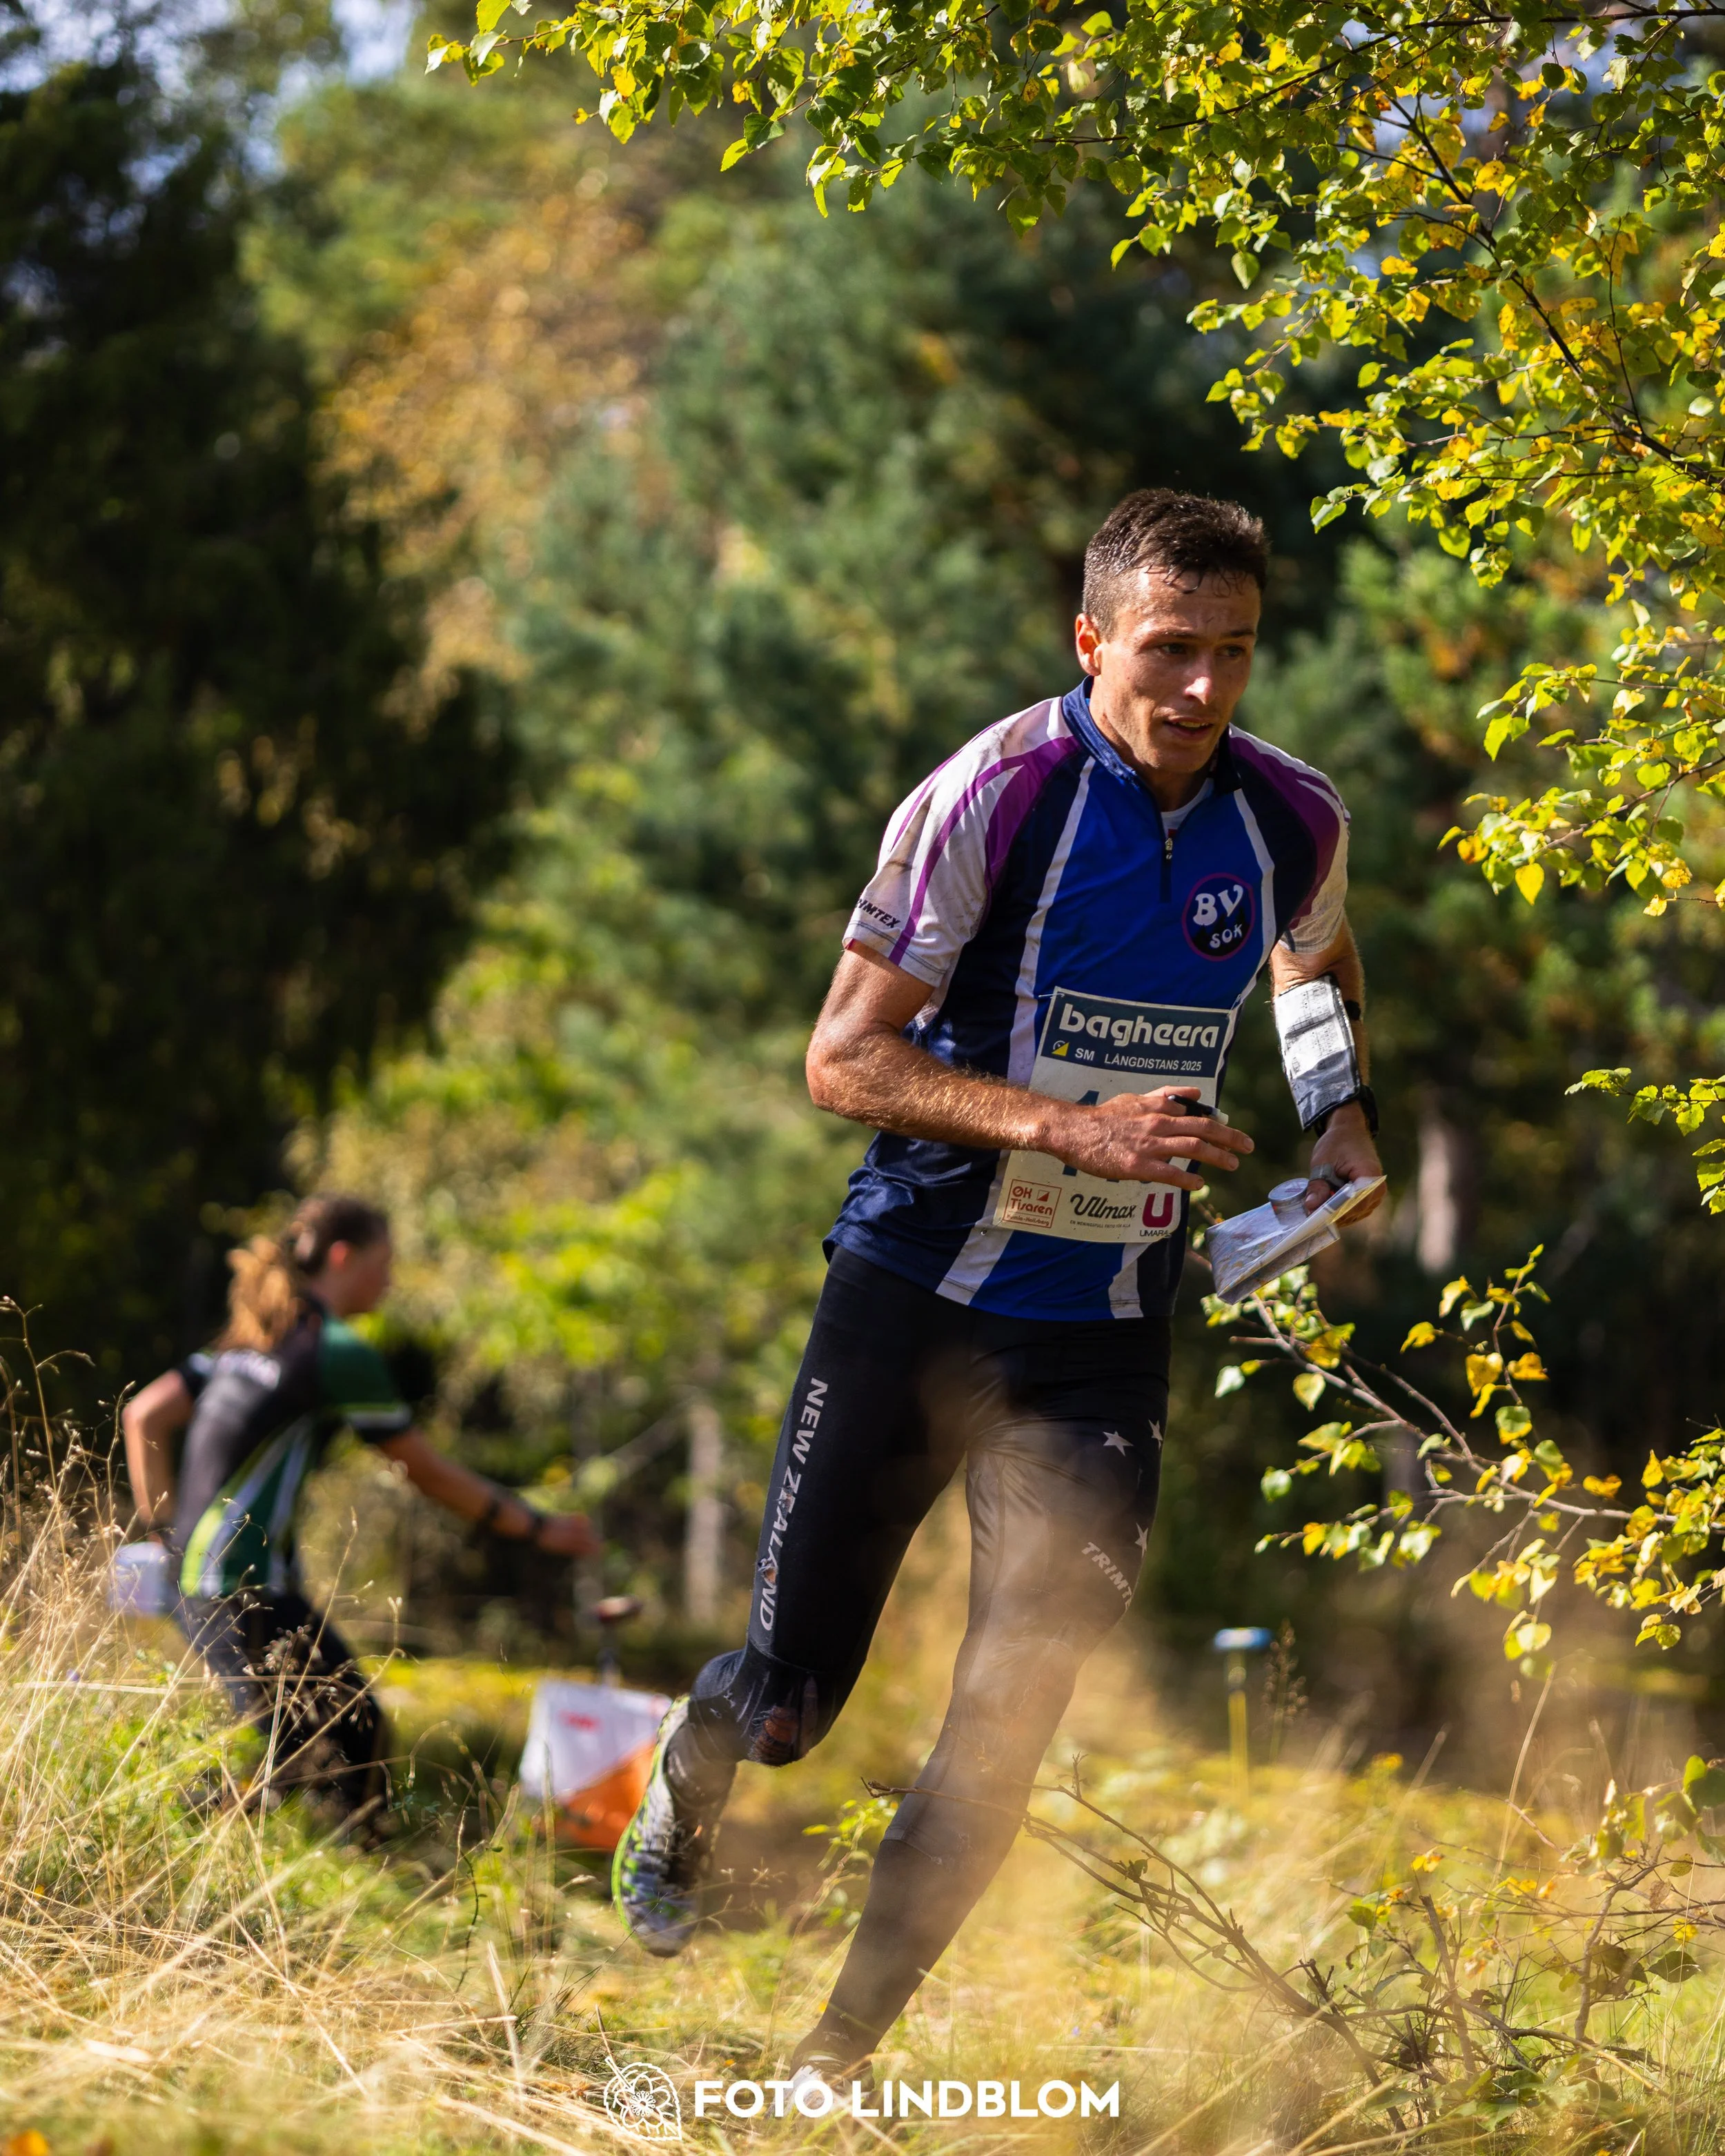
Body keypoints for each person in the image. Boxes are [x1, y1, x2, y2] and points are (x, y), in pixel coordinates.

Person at [610, 488, 1386, 2076]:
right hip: (914, 1296)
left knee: (1008, 1719)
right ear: (1092, 637)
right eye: (1170, 650)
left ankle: (835, 2057)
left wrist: (1340, 1120)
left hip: (1101, 1339)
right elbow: (841, 1059)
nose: (1202, 690)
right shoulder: (992, 797)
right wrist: (1065, 1127)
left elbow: (1313, 955)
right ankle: (688, 1782)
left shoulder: (1290, 814)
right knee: (788, 1697)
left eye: (1235, 652)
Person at [122, 1192, 598, 1823]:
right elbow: (426, 1472)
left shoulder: (251, 1339)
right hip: (245, 1581)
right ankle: (167, 1830)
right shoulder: (335, 1351)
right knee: (344, 1739)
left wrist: (162, 1530)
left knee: (321, 1740)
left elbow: (143, 1413)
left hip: (198, 1576)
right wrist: (540, 1529)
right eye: (384, 1261)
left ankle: (316, 1868)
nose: (391, 1278)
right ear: (343, 1256)